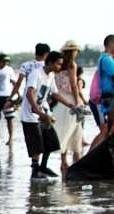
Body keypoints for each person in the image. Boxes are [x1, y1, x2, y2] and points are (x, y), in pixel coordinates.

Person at [20, 51, 74, 179]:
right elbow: (29, 93)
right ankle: (35, 171)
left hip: (43, 113)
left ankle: (43, 166)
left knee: (51, 141)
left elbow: (54, 93)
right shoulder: (36, 74)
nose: (59, 67)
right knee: (36, 146)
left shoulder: (50, 76)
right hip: (30, 115)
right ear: (50, 62)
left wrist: (70, 105)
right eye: (58, 64)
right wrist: (38, 112)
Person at [54, 41, 83, 174]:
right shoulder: (72, 65)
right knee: (74, 132)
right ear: (73, 51)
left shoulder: (58, 65)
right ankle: (76, 160)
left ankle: (63, 162)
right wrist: (78, 103)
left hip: (59, 100)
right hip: (70, 99)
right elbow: (74, 85)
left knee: (63, 131)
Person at [91, 34, 114, 149]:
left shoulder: (104, 59)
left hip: (107, 97)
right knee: (110, 128)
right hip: (110, 97)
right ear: (111, 44)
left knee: (109, 128)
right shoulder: (106, 59)